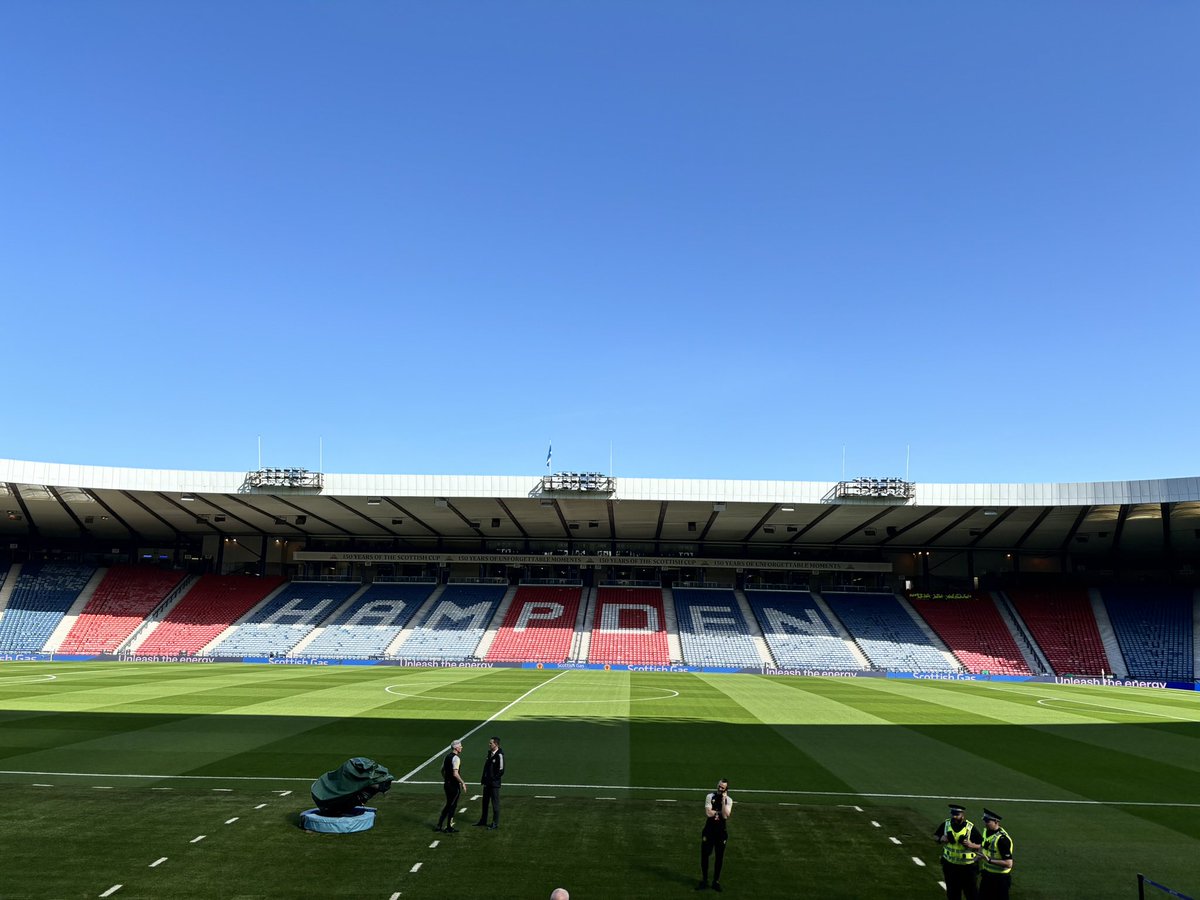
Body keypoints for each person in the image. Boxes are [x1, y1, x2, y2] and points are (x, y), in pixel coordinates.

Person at [933, 803, 982, 900]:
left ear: (962, 815)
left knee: (971, 894)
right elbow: (935, 836)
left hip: (968, 868)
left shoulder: (970, 828)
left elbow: (983, 845)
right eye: (952, 814)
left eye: (957, 814)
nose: (954, 816)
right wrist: (940, 839)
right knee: (952, 894)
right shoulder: (946, 824)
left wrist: (971, 845)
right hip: (950, 867)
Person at [697, 779, 733, 892]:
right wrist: (719, 813)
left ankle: (715, 882)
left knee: (719, 857)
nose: (720, 789)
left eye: (722, 788)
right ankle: (704, 880)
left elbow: (726, 815)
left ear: (726, 789)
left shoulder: (729, 800)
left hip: (721, 833)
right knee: (704, 855)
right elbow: (708, 813)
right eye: (719, 786)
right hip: (709, 831)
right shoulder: (709, 796)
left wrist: (723, 802)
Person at [978, 808, 1014, 899]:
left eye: (988, 821)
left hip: (1000, 879)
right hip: (987, 876)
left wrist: (989, 860)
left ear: (996, 822)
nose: (985, 823)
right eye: (985, 820)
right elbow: (985, 847)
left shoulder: (1002, 839)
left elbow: (1009, 864)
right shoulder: (986, 832)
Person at [474, 735, 505, 829]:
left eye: (491, 743)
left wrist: (493, 779)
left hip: (494, 784)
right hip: (487, 783)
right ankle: (483, 820)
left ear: (496, 744)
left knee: (495, 804)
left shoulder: (499, 755)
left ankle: (495, 823)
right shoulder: (490, 753)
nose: (489, 744)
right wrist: (484, 778)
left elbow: (501, 770)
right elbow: (486, 767)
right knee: (485, 802)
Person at [435, 740, 465, 833]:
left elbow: (442, 770)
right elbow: (455, 774)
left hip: (447, 784)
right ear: (456, 748)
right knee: (452, 805)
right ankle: (448, 826)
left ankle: (439, 825)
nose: (461, 747)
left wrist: (446, 779)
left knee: (448, 804)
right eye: (460, 746)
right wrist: (462, 783)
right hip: (454, 786)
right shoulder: (456, 758)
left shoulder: (447, 757)